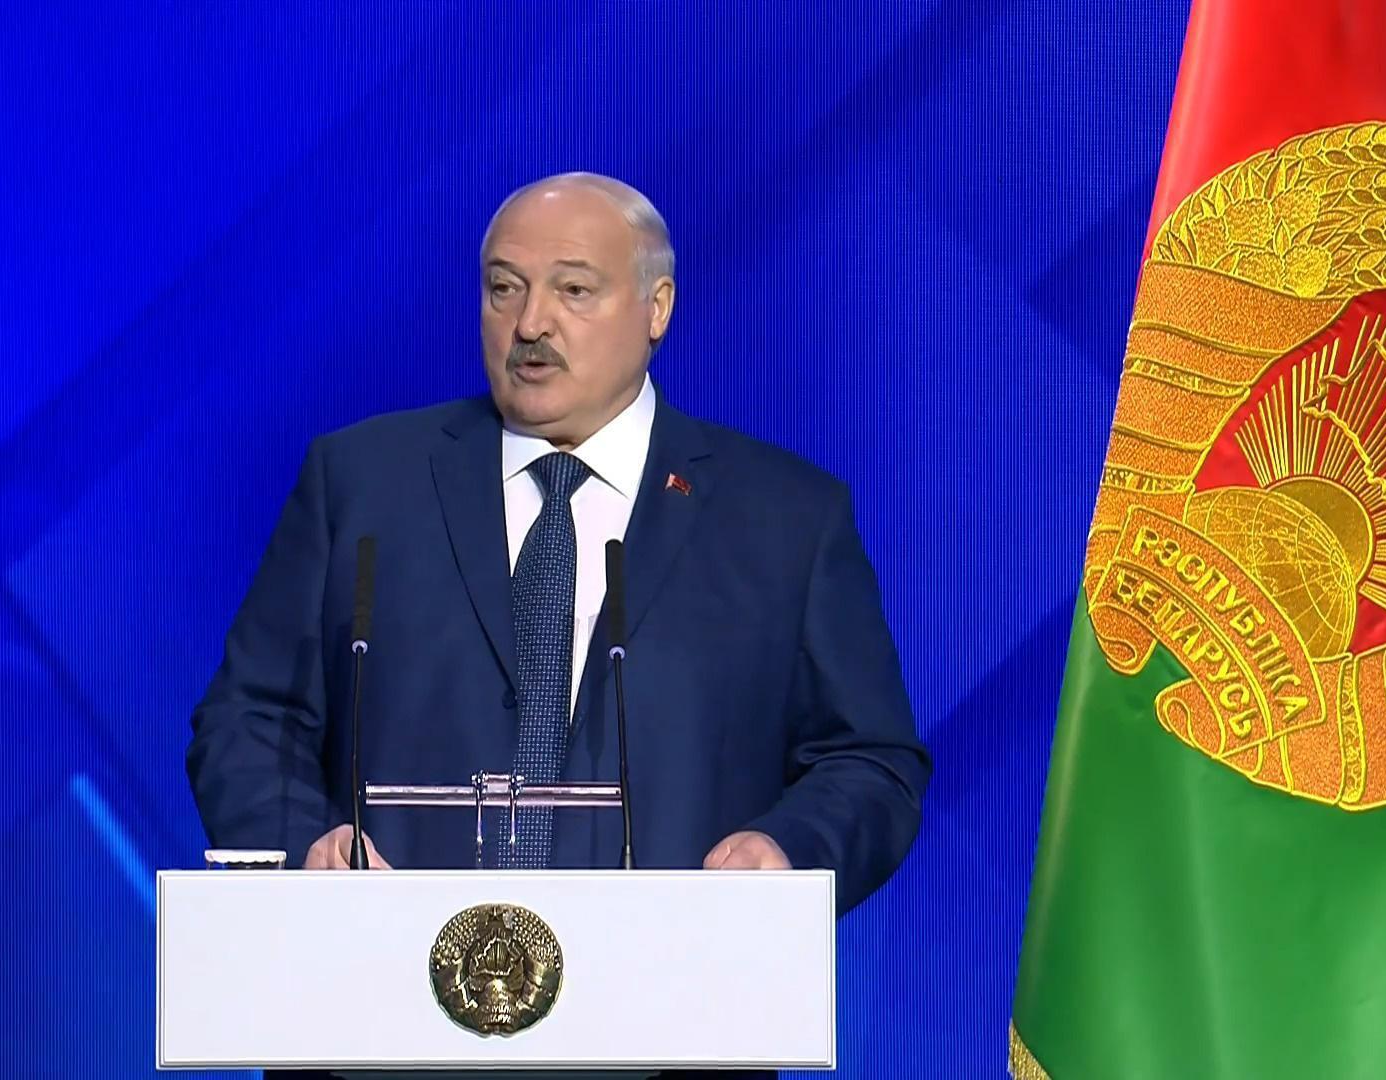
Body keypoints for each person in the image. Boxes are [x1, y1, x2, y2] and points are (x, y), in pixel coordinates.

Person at [187, 172, 927, 911]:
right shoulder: (362, 483)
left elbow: (869, 760)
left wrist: (788, 851)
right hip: (393, 962)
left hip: (673, 967)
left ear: (657, 308)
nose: (531, 323)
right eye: (504, 288)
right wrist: (308, 851)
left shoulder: (783, 518)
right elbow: (248, 723)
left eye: (573, 290)